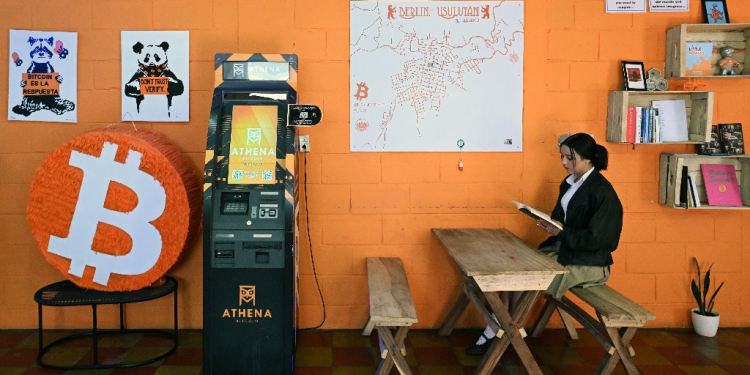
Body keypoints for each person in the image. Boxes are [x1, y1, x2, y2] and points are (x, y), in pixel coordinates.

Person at [466, 133, 624, 355]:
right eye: (562, 157)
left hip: (590, 263)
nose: (564, 163)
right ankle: (500, 330)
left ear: (587, 158)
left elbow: (600, 239)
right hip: (566, 252)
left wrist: (563, 232)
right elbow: (562, 221)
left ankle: (501, 334)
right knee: (514, 271)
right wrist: (553, 226)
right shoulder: (569, 184)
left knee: (528, 278)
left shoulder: (602, 192)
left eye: (570, 158)